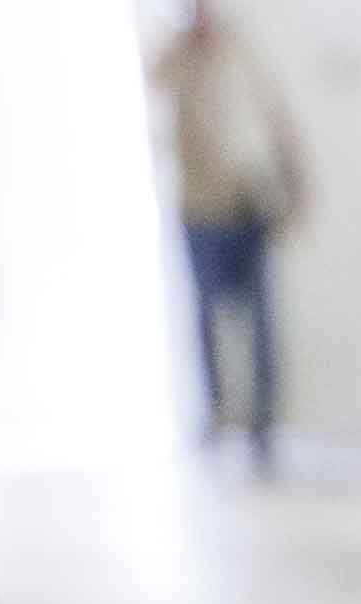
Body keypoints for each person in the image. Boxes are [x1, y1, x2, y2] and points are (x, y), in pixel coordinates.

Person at [153, 7, 307, 471]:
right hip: (202, 210)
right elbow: (151, 83)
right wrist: (179, 47)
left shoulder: (242, 52)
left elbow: (277, 119)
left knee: (261, 321)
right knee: (206, 317)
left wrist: (297, 187)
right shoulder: (177, 58)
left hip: (249, 203)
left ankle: (262, 427)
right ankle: (216, 413)